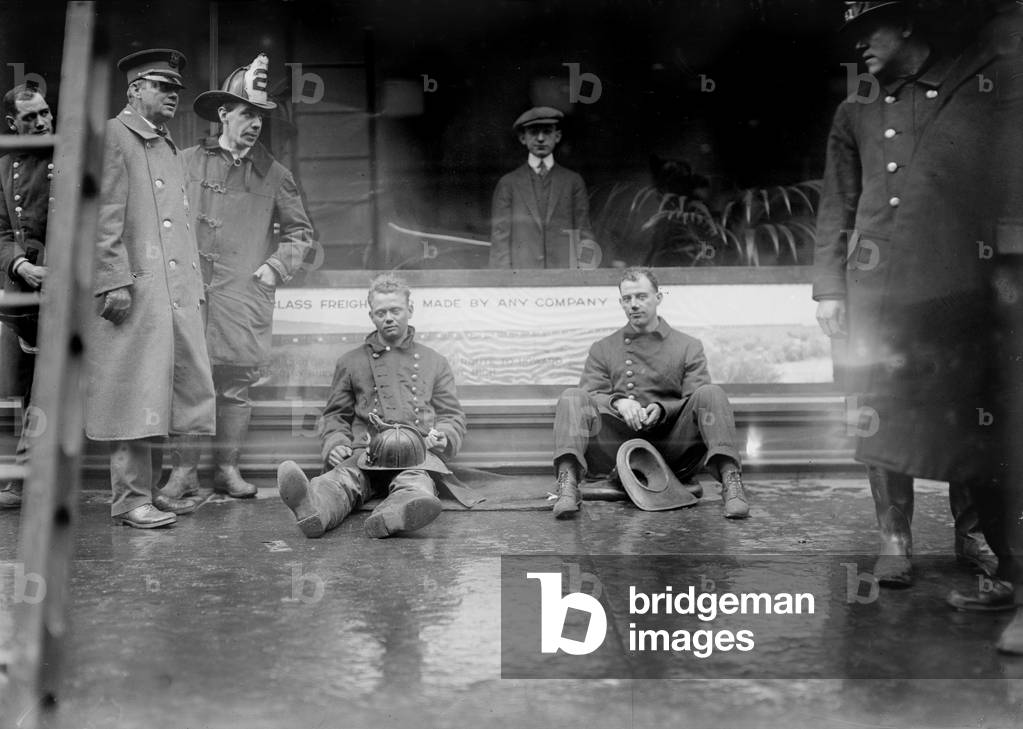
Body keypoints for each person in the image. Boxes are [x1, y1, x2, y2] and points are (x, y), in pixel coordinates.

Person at [813, 1, 998, 586]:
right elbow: (836, 205)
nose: (861, 44)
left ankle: (974, 533)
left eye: (870, 29)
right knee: (876, 405)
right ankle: (894, 537)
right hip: (875, 288)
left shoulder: (963, 95)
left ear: (908, 24)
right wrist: (829, 290)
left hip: (950, 281)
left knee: (962, 400)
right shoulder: (854, 110)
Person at [159, 53, 314, 501]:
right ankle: (182, 474)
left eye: (261, 117)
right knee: (186, 382)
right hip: (187, 294)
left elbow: (301, 234)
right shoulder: (184, 162)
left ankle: (226, 471)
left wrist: (274, 267)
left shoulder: (276, 175)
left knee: (234, 385)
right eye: (247, 113)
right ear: (224, 113)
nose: (255, 124)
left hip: (241, 298)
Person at [85, 49, 216, 528]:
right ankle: (129, 500)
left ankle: (159, 491)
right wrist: (114, 280)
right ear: (134, 89)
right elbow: (103, 217)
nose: (172, 96)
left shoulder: (165, 144)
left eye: (176, 89)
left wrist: (193, 288)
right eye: (161, 86)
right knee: (133, 393)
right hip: (136, 289)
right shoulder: (114, 136)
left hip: (173, 292)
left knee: (171, 394)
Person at [277, 273, 468, 539]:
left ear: (409, 310)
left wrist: (444, 436)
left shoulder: (434, 361)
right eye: (381, 312)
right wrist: (335, 443)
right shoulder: (350, 361)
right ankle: (313, 509)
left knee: (415, 483)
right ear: (371, 316)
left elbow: (451, 415)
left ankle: (395, 513)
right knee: (342, 480)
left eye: (395, 310)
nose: (388, 317)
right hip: (366, 452)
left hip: (417, 452)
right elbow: (335, 415)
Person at [550, 267, 750, 520]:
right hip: (617, 451)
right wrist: (619, 402)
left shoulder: (687, 346)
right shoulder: (603, 348)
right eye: (627, 298)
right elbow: (591, 393)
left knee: (711, 393)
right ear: (621, 302)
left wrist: (663, 409)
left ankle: (732, 485)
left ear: (658, 298)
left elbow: (694, 399)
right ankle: (567, 486)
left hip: (671, 450)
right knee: (572, 396)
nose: (634, 305)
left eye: (641, 296)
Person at [0, 83, 54, 509]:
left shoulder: (69, 160)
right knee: (18, 387)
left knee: (45, 389)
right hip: (22, 289)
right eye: (30, 117)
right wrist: (19, 264)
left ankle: (25, 479)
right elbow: (1, 232)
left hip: (66, 288)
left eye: (45, 113)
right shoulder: (4, 169)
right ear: (12, 124)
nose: (41, 123)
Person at [489, 106, 595, 268]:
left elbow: (584, 233)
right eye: (533, 132)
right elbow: (500, 239)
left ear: (557, 136)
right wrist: (504, 283)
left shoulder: (573, 181)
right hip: (522, 280)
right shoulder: (508, 184)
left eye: (547, 132)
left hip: (564, 278)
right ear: (522, 138)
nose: (540, 138)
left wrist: (586, 273)